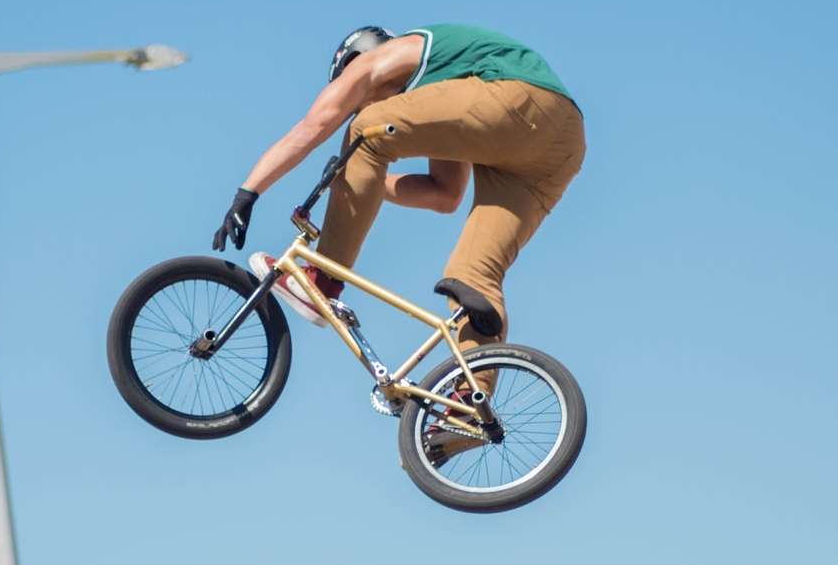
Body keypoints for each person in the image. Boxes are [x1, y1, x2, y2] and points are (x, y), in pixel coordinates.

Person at [213, 22, 585, 372]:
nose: (358, 107)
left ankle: (321, 282)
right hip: (560, 143)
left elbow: (312, 127)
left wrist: (248, 192)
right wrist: (369, 179)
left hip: (516, 96)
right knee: (473, 276)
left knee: (365, 131)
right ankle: (468, 412)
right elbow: (444, 195)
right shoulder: (450, 91)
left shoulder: (379, 58)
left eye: (356, 99)